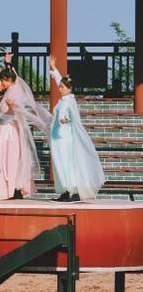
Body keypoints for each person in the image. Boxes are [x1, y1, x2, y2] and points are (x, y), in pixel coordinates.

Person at [46, 62, 105, 202]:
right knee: (59, 163)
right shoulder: (63, 100)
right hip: (56, 137)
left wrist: (65, 121)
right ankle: (64, 191)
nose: (59, 89)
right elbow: (61, 81)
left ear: (70, 89)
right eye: (59, 86)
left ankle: (72, 190)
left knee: (66, 162)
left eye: (62, 87)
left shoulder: (70, 101)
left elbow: (74, 119)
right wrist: (55, 69)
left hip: (64, 137)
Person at [0, 64, 50, 201]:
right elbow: (16, 79)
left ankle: (10, 190)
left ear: (8, 79)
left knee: (8, 160)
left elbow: (17, 109)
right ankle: (4, 190)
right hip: (4, 128)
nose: (1, 83)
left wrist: (13, 107)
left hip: (9, 130)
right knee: (2, 159)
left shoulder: (14, 91)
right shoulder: (12, 89)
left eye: (3, 80)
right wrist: (8, 64)